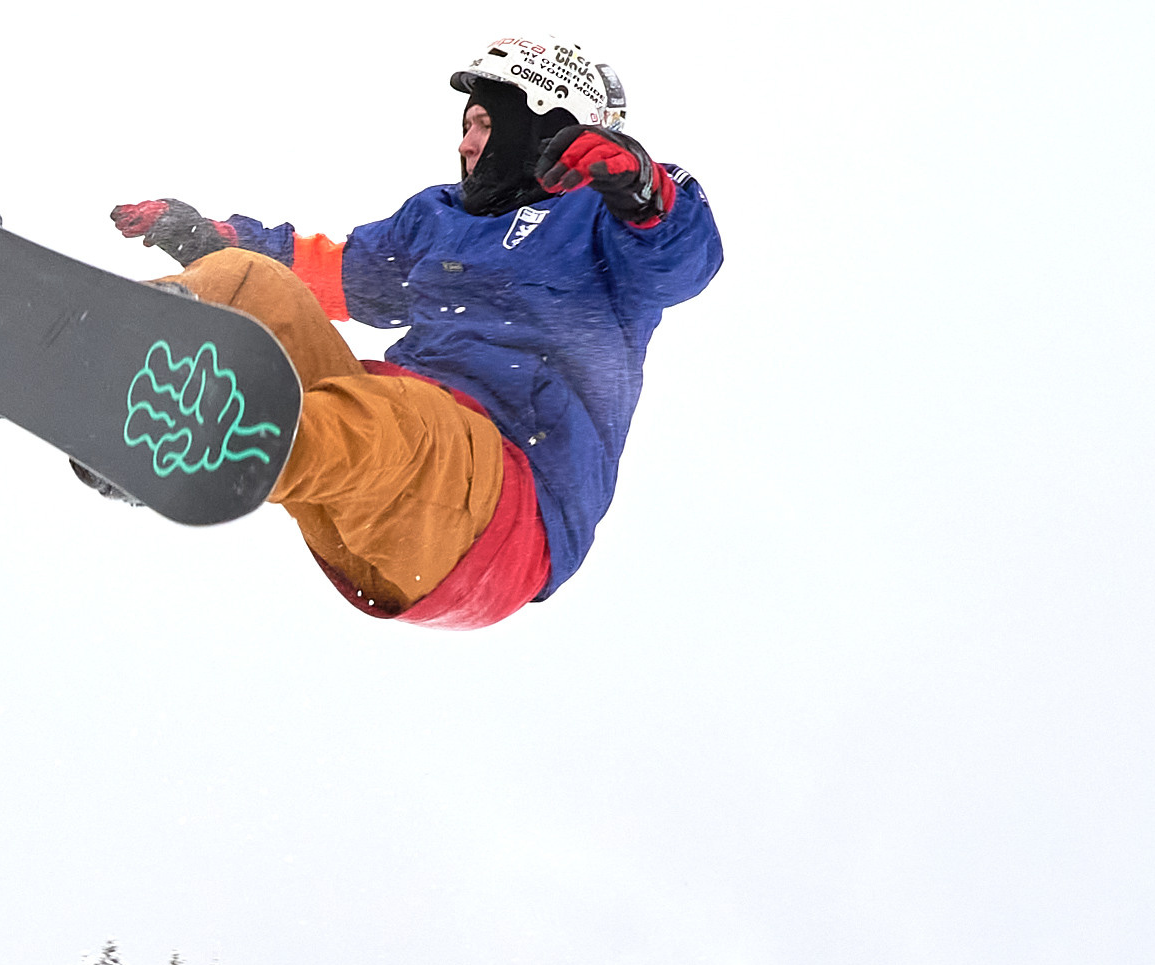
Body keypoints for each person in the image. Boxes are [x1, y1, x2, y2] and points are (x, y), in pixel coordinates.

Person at [102, 37, 724, 626]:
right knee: (248, 280)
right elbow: (342, 276)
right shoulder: (442, 218)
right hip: (367, 486)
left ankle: (206, 439)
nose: (466, 144)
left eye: (483, 123)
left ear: (542, 126)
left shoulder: (604, 213)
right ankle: (94, 350)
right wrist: (212, 241)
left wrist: (643, 195)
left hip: (502, 503)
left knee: (388, 420)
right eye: (465, 127)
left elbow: (684, 261)